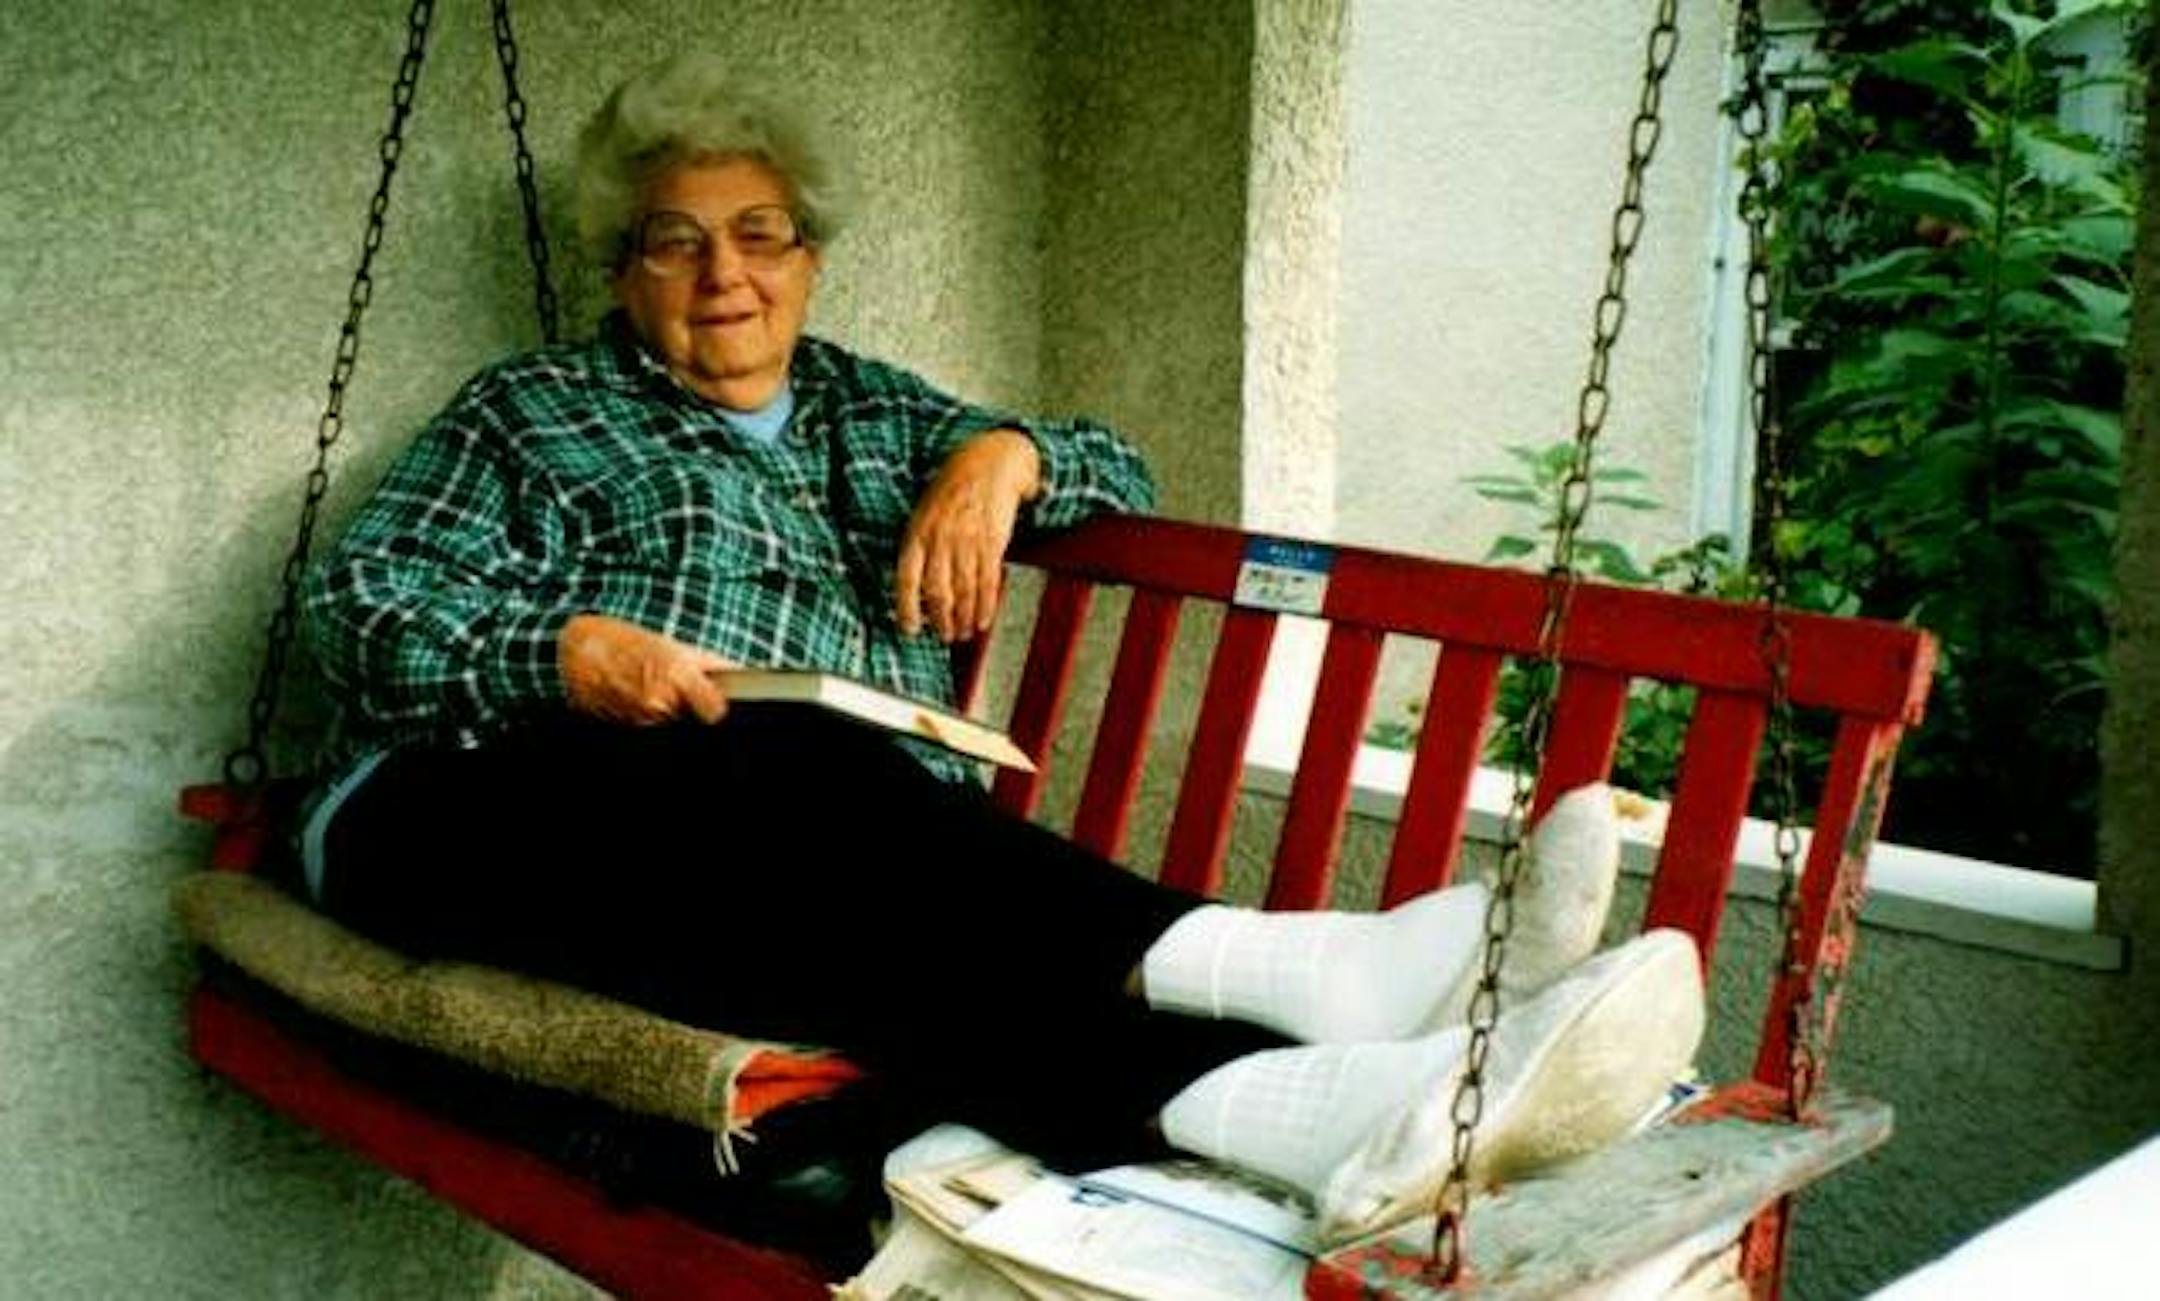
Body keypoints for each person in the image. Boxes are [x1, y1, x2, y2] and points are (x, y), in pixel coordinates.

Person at [296, 52, 1702, 1245]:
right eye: (676, 238)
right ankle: (1303, 971)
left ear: (810, 257)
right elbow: (357, 605)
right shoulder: (531, 410)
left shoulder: (865, 409)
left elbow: (1120, 463)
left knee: (865, 924)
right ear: (622, 265)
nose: (723, 273)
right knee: (781, 758)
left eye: (760, 232)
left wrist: (1005, 455)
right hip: (469, 809)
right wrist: (563, 651)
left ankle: (1330, 1106)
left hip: (803, 862)